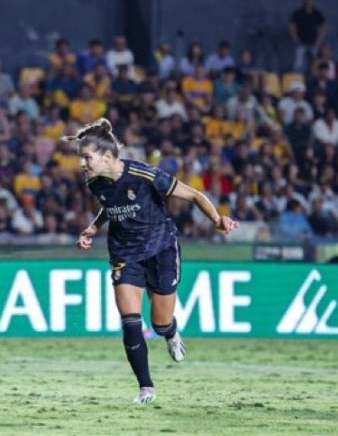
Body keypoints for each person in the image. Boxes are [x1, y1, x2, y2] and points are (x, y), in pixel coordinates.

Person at [64, 119, 238, 404]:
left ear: (107, 157)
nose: (82, 163)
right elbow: (111, 207)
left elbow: (194, 195)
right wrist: (94, 227)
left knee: (160, 322)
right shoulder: (95, 183)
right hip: (124, 254)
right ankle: (146, 388)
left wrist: (218, 220)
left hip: (161, 249)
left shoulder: (145, 175)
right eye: (81, 158)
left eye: (87, 157)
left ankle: (171, 333)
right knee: (131, 321)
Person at [288, 0, 327, 74]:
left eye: (311, 0)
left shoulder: (317, 14)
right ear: (304, 0)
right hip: (300, 44)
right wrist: (295, 39)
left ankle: (314, 81)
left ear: (314, 1)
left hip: (313, 44)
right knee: (298, 65)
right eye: (307, 0)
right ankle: (297, 80)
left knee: (315, 65)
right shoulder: (298, 13)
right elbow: (292, 26)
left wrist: (319, 41)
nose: (309, 2)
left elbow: (324, 27)